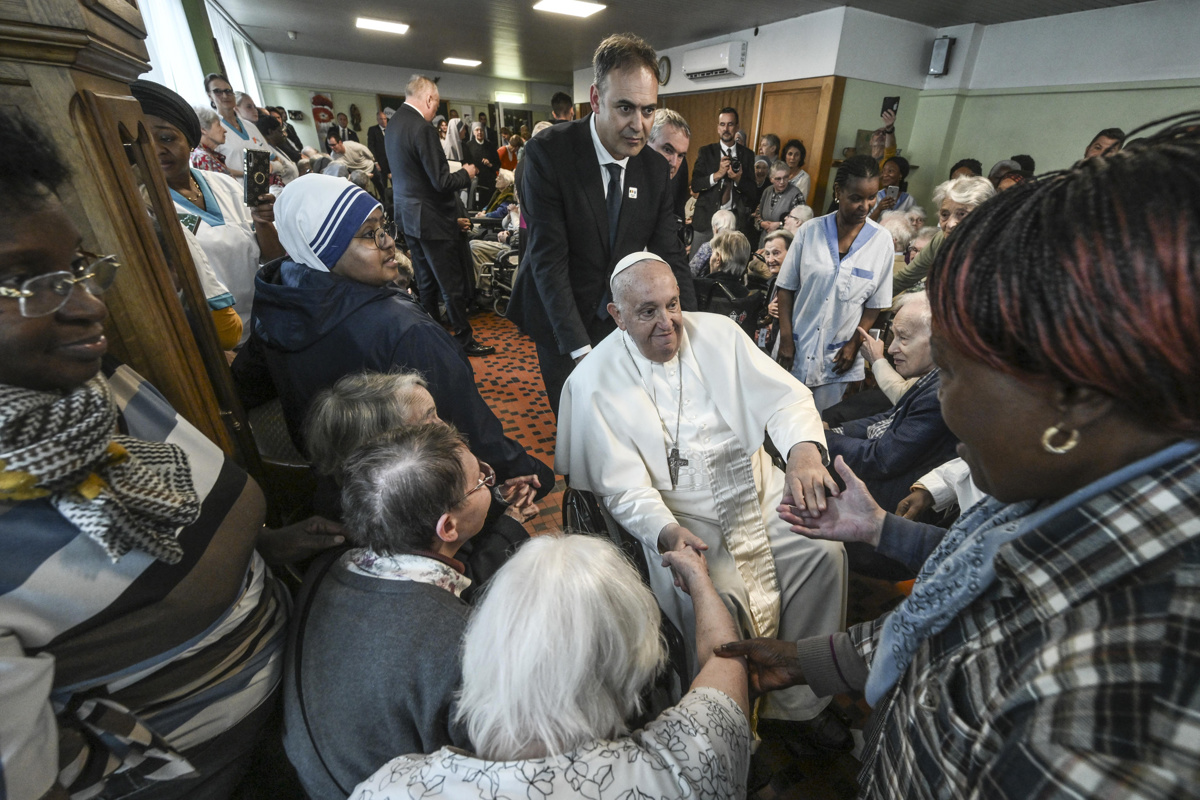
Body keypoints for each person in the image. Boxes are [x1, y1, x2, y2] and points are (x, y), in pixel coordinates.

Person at [718, 115, 1200, 799]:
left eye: (954, 371)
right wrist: (813, 654)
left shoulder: (1103, 718)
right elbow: (970, 602)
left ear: (1073, 392)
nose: (945, 406)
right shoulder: (1072, 481)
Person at [0, 108, 344, 799]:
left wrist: (262, 549)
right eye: (30, 281)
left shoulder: (95, 388)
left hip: (296, 702)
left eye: (75, 266)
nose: (88, 306)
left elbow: (172, 542)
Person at [557, 252, 851, 751]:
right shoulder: (593, 382)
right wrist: (668, 533)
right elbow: (624, 488)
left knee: (826, 556)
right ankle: (728, 728)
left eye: (672, 305)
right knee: (722, 594)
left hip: (759, 495)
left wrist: (802, 451)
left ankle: (800, 706)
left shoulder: (719, 334)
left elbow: (786, 398)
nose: (668, 323)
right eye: (647, 311)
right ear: (616, 315)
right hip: (682, 515)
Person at [349, 534, 752, 800]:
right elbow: (724, 656)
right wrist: (699, 580)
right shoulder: (687, 762)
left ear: (484, 645)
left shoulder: (389, 788)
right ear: (634, 664)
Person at [241, 173, 553, 495]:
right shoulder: (404, 331)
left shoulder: (278, 305)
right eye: (367, 235)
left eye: (382, 226)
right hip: (424, 495)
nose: (388, 241)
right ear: (324, 250)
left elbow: (246, 385)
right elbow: (468, 428)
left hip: (343, 491)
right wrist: (526, 472)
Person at [284, 424, 502, 799]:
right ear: (447, 527)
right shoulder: (461, 644)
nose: (487, 478)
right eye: (480, 481)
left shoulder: (326, 567)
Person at [506, 33, 696, 417]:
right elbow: (548, 260)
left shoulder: (655, 168)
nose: (638, 126)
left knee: (625, 420)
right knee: (580, 428)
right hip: (559, 313)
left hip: (619, 316)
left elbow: (670, 255)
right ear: (595, 99)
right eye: (625, 108)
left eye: (647, 111)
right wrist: (581, 352)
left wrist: (693, 328)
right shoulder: (549, 153)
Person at [134, 80, 284, 345]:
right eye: (142, 141)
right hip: (220, 341)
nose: (157, 150)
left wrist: (262, 221)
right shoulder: (147, 207)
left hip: (267, 326)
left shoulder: (224, 184)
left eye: (167, 138)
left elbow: (272, 256)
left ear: (190, 141)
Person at [825, 291, 958, 559]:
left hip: (890, 503)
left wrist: (818, 437)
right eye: (893, 336)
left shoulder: (941, 391)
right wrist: (835, 431)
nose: (892, 348)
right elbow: (888, 418)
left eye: (904, 338)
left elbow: (882, 458)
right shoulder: (933, 378)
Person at [386, 75, 494, 356]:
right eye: (435, 105)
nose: (436, 113)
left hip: (408, 216)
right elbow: (441, 181)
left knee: (425, 282)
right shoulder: (422, 128)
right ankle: (463, 340)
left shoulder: (394, 123)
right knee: (451, 284)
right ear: (430, 99)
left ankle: (432, 337)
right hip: (431, 218)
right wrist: (466, 173)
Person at [776, 155, 894, 411]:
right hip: (795, 346)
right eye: (856, 198)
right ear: (839, 191)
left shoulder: (882, 241)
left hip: (837, 358)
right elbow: (786, 288)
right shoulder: (810, 231)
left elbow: (875, 304)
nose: (866, 205)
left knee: (820, 429)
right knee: (780, 421)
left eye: (872, 197)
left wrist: (854, 344)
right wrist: (786, 338)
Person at [892, 174, 995, 296]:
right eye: (945, 214)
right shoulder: (941, 240)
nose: (950, 224)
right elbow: (904, 279)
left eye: (962, 214)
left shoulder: (998, 250)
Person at [690, 106, 758, 250]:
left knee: (728, 266)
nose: (726, 128)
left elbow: (753, 192)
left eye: (730, 124)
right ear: (718, 128)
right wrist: (717, 175)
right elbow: (695, 184)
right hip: (706, 220)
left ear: (737, 127)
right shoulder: (706, 152)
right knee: (697, 266)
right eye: (722, 124)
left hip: (734, 221)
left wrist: (739, 180)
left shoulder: (747, 155)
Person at [205, 73, 265, 177]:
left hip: (262, 188)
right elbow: (212, 167)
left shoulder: (250, 127)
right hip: (233, 189)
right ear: (210, 96)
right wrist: (248, 174)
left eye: (228, 91)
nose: (225, 96)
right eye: (218, 92)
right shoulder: (211, 129)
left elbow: (269, 156)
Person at [647, 107, 691, 219]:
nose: (674, 163)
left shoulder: (681, 168)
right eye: (667, 150)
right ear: (646, 142)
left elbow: (677, 213)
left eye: (681, 155)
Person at [753, 159, 803, 248]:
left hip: (783, 244)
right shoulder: (767, 191)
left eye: (786, 177)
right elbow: (758, 213)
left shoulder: (796, 194)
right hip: (764, 242)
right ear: (771, 179)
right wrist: (761, 223)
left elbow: (800, 222)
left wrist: (779, 225)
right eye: (778, 179)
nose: (782, 182)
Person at [688, 208, 736, 276]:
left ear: (715, 229)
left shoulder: (708, 247)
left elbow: (691, 272)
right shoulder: (739, 248)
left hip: (707, 284)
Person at [465, 121, 499, 210]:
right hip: (476, 182)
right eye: (477, 130)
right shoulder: (469, 145)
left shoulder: (490, 145)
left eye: (481, 130)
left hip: (489, 182)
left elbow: (498, 164)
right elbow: (465, 163)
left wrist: (490, 164)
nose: (479, 132)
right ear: (473, 132)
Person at [869, 155, 913, 220]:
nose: (884, 175)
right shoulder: (874, 197)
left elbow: (914, 225)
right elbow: (865, 224)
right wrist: (879, 209)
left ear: (900, 175)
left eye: (890, 171)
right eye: (883, 171)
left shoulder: (909, 200)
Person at [191, 104, 230, 175]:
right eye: (218, 125)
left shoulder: (205, 155)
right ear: (203, 129)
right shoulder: (203, 158)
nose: (224, 130)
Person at [366, 110, 390, 182]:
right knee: (383, 183)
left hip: (391, 162)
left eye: (385, 119)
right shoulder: (373, 130)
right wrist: (375, 162)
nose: (383, 121)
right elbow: (371, 147)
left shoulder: (390, 128)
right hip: (380, 162)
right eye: (381, 119)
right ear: (377, 120)